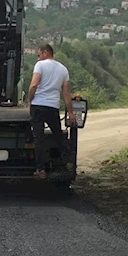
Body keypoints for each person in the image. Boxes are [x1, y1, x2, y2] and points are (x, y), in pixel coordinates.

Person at [27, 44, 77, 179]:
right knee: (58, 134)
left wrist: (29, 99)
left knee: (39, 138)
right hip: (53, 107)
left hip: (38, 105)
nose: (38, 58)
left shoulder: (40, 66)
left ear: (45, 52)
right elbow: (66, 93)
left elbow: (34, 84)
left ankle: (40, 169)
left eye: (39, 55)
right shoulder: (63, 69)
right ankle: (68, 161)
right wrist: (71, 112)